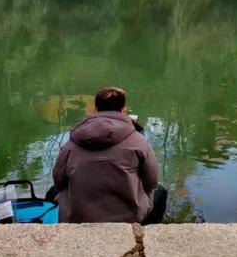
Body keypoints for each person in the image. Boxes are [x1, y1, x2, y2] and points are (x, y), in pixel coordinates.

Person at [51, 86, 167, 224]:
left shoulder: (71, 143)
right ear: (124, 110)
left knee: (53, 192)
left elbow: (59, 181)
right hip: (129, 217)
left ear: (95, 110)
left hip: (79, 216)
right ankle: (145, 236)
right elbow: (151, 182)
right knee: (161, 191)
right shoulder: (138, 141)